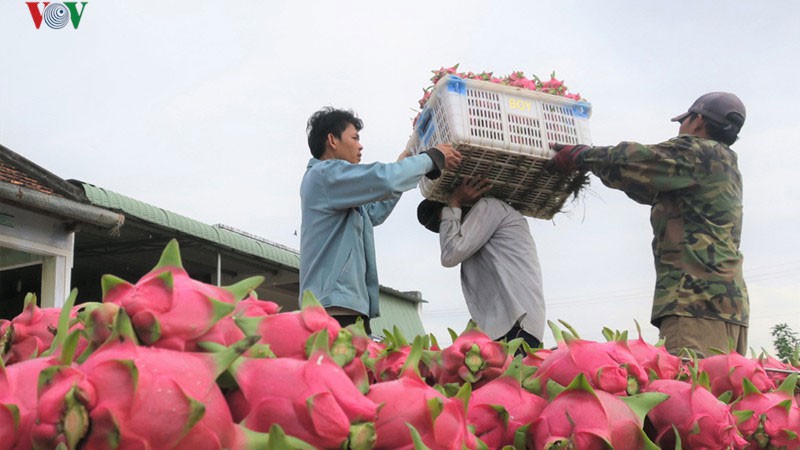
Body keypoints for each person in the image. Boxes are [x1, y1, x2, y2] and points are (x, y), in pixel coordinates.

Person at [548, 92, 748, 357]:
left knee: (691, 390)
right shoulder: (724, 166)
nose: (680, 127)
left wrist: (582, 156)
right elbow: (646, 183)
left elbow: (636, 159)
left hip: (694, 304)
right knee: (723, 395)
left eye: (684, 121)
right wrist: (600, 168)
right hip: (728, 308)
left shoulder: (697, 152)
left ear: (698, 120)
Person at [300, 106, 461, 334]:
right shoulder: (325, 174)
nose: (360, 145)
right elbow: (383, 180)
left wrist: (405, 165)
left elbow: (373, 212)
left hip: (346, 307)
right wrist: (430, 159)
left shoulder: (337, 185)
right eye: (354, 138)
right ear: (332, 141)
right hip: (334, 309)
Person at [417, 177, 546, 349]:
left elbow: (449, 255)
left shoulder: (490, 207)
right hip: (508, 328)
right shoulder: (481, 230)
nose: (451, 223)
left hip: (516, 327)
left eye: (447, 217)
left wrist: (454, 201)